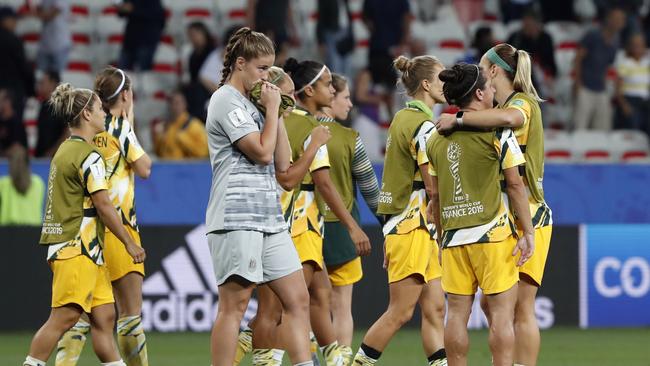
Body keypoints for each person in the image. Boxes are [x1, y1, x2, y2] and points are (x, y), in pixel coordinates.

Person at [435, 43, 553, 366]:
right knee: (494, 305)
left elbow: (512, 118)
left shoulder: (521, 104)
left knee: (520, 307)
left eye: (483, 69)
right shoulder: (495, 118)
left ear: (494, 72)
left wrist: (457, 119)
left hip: (528, 212)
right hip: (506, 216)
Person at [205, 27, 312, 366]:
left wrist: (276, 110)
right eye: (262, 68)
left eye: (270, 68)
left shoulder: (256, 103)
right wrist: (269, 109)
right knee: (234, 307)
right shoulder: (225, 100)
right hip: (236, 216)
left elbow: (282, 163)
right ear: (240, 64)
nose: (268, 76)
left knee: (298, 298)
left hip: (268, 216)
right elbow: (262, 153)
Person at [22, 83, 145, 366]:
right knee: (63, 318)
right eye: (100, 110)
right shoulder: (89, 157)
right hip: (77, 248)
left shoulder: (66, 151)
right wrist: (129, 242)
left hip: (81, 250)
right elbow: (103, 205)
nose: (105, 114)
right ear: (87, 115)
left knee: (104, 319)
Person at [353, 55, 447, 366]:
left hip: (412, 224)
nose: (446, 84)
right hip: (414, 225)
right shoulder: (422, 126)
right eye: (442, 78)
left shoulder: (402, 119)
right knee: (400, 312)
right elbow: (431, 186)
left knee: (435, 309)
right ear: (426, 84)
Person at [55, 67, 153, 366]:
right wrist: (131, 122)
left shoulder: (90, 131)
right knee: (129, 315)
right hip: (120, 227)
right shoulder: (120, 128)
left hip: (89, 232)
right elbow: (145, 168)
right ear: (126, 95)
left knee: (84, 317)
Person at [283, 57, 371, 366]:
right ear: (309, 90)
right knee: (311, 304)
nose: (334, 92)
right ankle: (330, 359)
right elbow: (326, 183)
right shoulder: (323, 132)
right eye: (328, 86)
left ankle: (327, 358)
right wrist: (357, 225)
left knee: (307, 300)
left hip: (288, 224)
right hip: (309, 224)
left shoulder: (280, 121)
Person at [315, 73, 381, 364]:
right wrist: (390, 225)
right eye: (345, 97)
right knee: (341, 305)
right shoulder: (350, 139)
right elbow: (370, 191)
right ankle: (339, 361)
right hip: (342, 230)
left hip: (303, 230)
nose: (351, 104)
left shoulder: (294, 130)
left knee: (302, 304)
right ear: (330, 98)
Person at [573, 6, 626, 130]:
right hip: (585, 87)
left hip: (601, 89)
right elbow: (578, 58)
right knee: (580, 126)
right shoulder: (593, 35)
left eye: (622, 19)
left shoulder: (617, 40)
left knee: (603, 128)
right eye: (617, 19)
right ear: (608, 19)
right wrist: (578, 83)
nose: (620, 22)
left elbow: (609, 65)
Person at [362, 0, 412, 93]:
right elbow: (406, 18)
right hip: (381, 47)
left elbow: (366, 18)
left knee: (393, 85)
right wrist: (403, 41)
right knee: (382, 85)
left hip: (384, 46)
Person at [0, 6, 35, 123]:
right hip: (13, 92)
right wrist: (31, 90)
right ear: (4, 20)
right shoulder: (13, 40)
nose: (15, 23)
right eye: (13, 19)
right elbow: (24, 68)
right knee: (14, 129)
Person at [154, 90, 208, 159]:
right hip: (168, 167)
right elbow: (159, 154)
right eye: (171, 103)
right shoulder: (166, 126)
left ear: (185, 104)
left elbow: (203, 153)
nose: (174, 106)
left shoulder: (194, 125)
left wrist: (183, 138)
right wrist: (159, 137)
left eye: (177, 103)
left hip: (188, 168)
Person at [0, 145, 44, 226]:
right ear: (28, 163)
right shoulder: (39, 183)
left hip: (7, 232)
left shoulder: (3, 184)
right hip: (34, 232)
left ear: (10, 163)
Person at [614, 33, 650, 133]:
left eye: (641, 45)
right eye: (635, 45)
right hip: (631, 101)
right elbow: (617, 86)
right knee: (634, 132)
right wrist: (624, 104)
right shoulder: (625, 63)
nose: (638, 48)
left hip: (646, 102)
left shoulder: (646, 63)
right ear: (630, 47)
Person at [507, 9, 558, 80]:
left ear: (537, 24)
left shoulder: (545, 38)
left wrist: (535, 39)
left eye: (529, 24)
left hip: (541, 73)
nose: (527, 27)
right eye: (525, 23)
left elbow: (548, 60)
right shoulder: (515, 37)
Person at [117, 0, 166, 71]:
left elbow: (155, 15)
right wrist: (122, 8)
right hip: (130, 40)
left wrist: (133, 9)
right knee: (122, 73)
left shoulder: (154, 2)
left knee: (144, 74)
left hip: (146, 41)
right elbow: (121, 12)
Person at [247, 0, 298, 66]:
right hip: (265, 27)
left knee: (282, 56)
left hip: (280, 28)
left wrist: (293, 30)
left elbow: (288, 10)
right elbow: (251, 8)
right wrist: (250, 29)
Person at [183, 21, 215, 120]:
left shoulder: (213, 52)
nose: (192, 38)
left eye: (194, 35)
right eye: (190, 36)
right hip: (198, 86)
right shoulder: (192, 55)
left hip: (212, 86)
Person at [35, 70, 68, 157]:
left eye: (43, 82)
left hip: (56, 158)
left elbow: (67, 133)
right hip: (42, 157)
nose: (40, 85)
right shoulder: (43, 106)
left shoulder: (62, 105)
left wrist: (52, 152)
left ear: (53, 83)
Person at [32, 0, 72, 73]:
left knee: (59, 80)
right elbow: (38, 9)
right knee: (41, 78)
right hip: (44, 45)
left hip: (60, 45)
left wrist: (36, 13)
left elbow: (50, 15)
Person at [317, 0, 353, 78]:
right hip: (332, 33)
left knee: (347, 65)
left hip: (345, 32)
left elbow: (348, 15)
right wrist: (321, 41)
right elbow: (321, 18)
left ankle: (346, 87)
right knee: (335, 64)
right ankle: (336, 87)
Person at [0, 88, 27, 155]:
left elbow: (17, 147)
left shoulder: (17, 122)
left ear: (8, 102)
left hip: (13, 162)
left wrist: (3, 153)